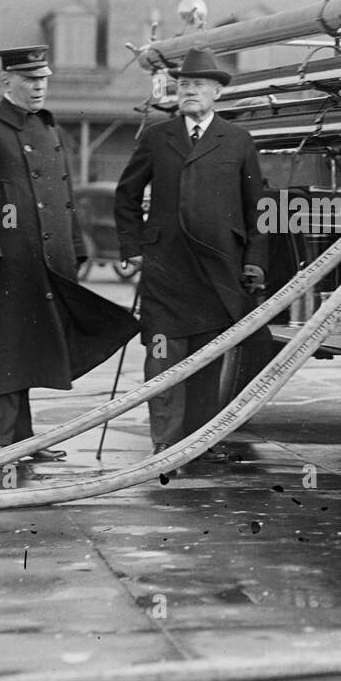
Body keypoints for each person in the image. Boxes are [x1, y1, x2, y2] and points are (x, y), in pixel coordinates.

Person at [0, 45, 139, 464]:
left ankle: (23, 439)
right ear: (7, 81)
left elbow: (65, 197)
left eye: (43, 80)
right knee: (3, 353)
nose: (39, 87)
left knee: (28, 351)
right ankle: (1, 445)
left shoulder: (48, 129)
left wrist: (74, 248)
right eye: (29, 80)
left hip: (46, 262)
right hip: (5, 264)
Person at [115, 46, 269, 457]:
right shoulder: (157, 137)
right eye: (183, 84)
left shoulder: (237, 140)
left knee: (206, 361)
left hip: (217, 274)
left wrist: (254, 261)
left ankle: (199, 443)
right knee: (161, 357)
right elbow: (126, 195)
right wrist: (133, 247)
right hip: (165, 272)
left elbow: (258, 207)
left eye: (199, 84)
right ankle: (165, 442)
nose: (189, 91)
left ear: (217, 92)